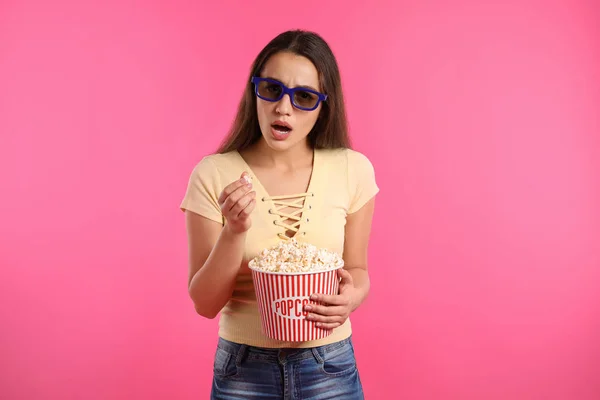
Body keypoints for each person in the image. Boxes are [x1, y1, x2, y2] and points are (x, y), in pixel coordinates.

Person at [180, 29, 379, 399]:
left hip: (329, 366)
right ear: (254, 90)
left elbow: (358, 270)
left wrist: (351, 298)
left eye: (303, 97)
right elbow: (205, 304)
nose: (282, 108)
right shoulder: (213, 174)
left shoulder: (354, 170)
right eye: (271, 89)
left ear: (324, 105)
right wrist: (234, 231)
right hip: (242, 371)